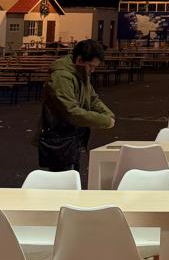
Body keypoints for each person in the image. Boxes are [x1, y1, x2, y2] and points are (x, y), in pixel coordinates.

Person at [37, 39, 116, 173]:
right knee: (63, 178)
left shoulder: (80, 72)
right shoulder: (61, 77)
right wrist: (104, 120)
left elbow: (92, 98)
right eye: (90, 66)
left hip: (72, 137)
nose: (92, 70)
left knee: (73, 174)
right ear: (79, 60)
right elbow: (71, 111)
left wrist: (108, 114)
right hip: (59, 139)